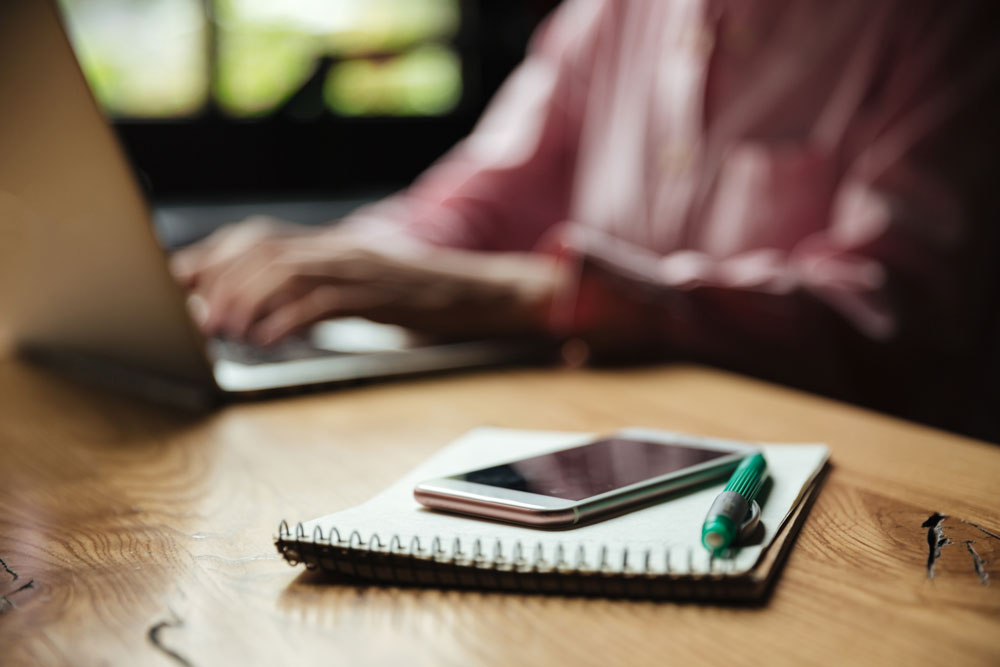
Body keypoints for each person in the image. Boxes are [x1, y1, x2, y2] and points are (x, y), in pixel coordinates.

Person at [171, 0, 1000, 437]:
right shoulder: (612, 10)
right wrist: (321, 267)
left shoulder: (944, 20)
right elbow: (475, 202)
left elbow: (894, 314)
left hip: (862, 504)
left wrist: (543, 296)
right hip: (600, 446)